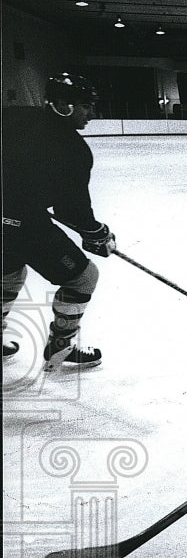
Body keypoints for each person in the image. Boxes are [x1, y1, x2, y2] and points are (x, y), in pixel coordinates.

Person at [2, 72, 116, 370]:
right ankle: (61, 347)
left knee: (9, 273)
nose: (92, 113)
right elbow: (71, 211)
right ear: (64, 105)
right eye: (86, 106)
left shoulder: (12, 117)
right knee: (83, 277)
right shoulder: (73, 149)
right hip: (25, 226)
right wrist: (97, 233)